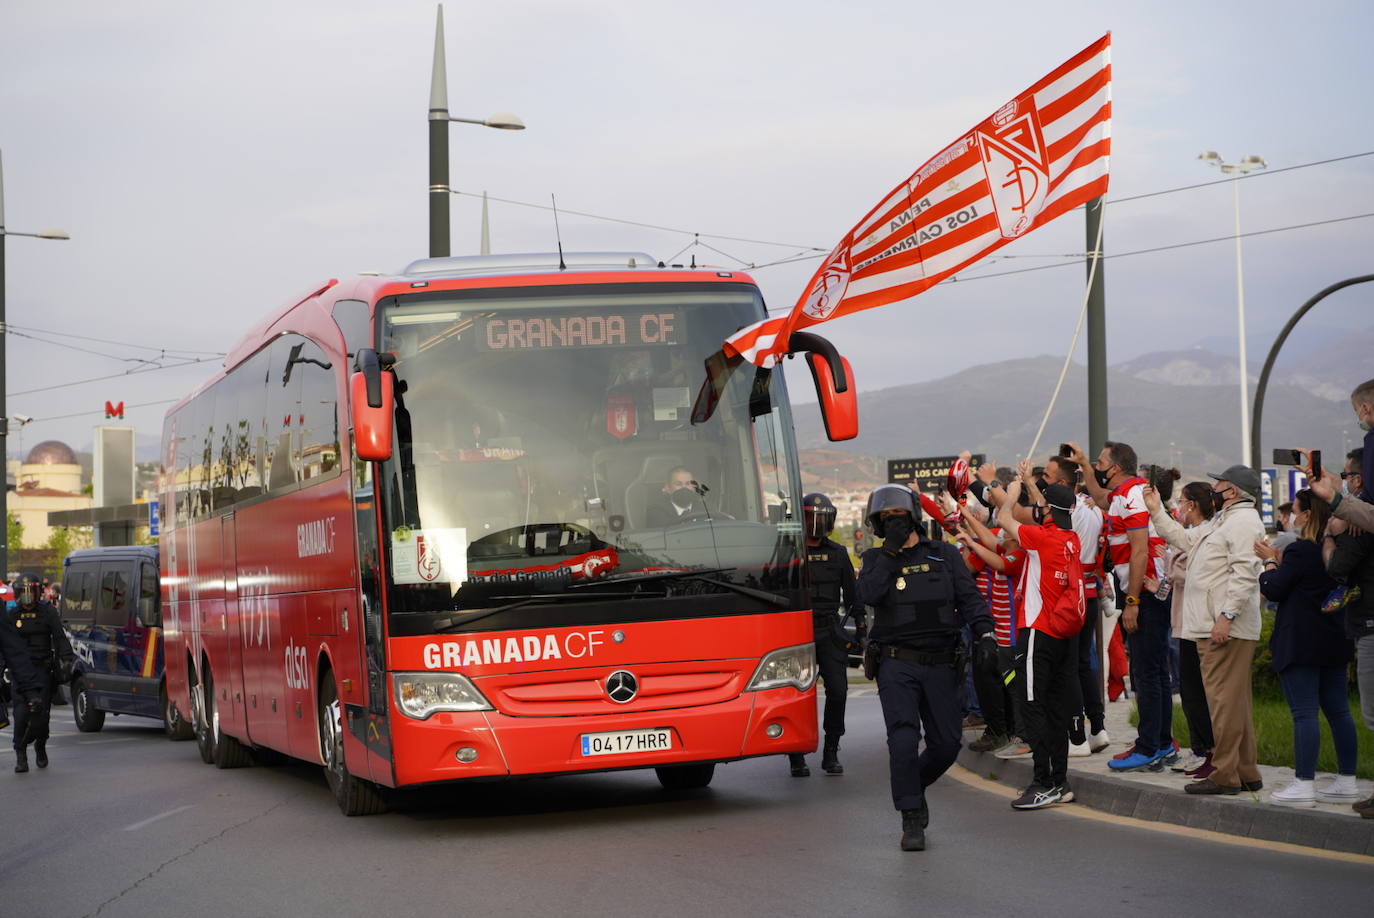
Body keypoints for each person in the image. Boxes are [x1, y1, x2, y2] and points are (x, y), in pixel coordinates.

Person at [857, 484, 995, 851]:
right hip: (896, 665)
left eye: (897, 517)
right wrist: (889, 553)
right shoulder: (874, 560)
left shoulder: (944, 555)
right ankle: (911, 816)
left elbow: (970, 599)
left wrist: (985, 635)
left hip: (941, 664)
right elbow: (867, 595)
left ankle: (911, 787)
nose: (893, 523)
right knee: (902, 741)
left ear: (913, 516)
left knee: (947, 745)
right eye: (885, 519)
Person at [1145, 465, 1266, 795]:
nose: (1216, 488)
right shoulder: (1224, 521)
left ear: (1234, 491)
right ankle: (1245, 769)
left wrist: (1225, 616)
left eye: (1221, 484)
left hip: (1222, 626)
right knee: (1235, 702)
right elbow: (1183, 538)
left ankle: (1225, 774)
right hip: (1213, 623)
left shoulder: (1242, 522)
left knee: (1223, 703)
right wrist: (1157, 510)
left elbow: (1244, 574)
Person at [1069, 441, 1175, 772]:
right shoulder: (1122, 493)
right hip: (1142, 589)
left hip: (1144, 591)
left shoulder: (1132, 496)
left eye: (1102, 462)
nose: (1099, 468)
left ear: (1115, 468)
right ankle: (1160, 742)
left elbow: (1140, 550)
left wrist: (1132, 602)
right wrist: (1086, 464)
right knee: (1153, 671)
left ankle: (1151, 746)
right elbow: (1100, 497)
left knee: (1147, 672)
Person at [1255, 489, 1360, 807]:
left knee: (1304, 714)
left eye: (1295, 511)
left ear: (1308, 515)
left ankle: (1303, 784)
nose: (1290, 518)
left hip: (1301, 641)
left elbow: (1274, 588)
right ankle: (1347, 780)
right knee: (1339, 711)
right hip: (1335, 638)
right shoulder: (1341, 550)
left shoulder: (1302, 551)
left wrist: (1269, 563)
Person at [997, 480, 1085, 809]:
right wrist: (1035, 489)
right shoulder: (1070, 539)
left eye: (1043, 505)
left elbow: (1004, 519)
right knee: (1055, 709)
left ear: (1049, 511)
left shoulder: (1042, 539)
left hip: (1038, 631)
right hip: (1064, 634)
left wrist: (1014, 491)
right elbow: (1047, 513)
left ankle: (1044, 782)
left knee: (1032, 706)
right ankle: (1060, 781)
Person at [1319, 449, 1374, 817]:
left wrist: (1327, 537)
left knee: (1373, 714)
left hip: (1370, 622)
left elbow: (1338, 568)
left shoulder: (1358, 526)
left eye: (1349, 475)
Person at [790, 492, 859, 778]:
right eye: (810, 517)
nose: (816, 523)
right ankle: (796, 755)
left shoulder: (839, 553)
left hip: (828, 629)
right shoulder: (790, 553)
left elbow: (854, 597)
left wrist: (863, 634)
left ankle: (831, 751)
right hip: (797, 633)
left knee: (839, 692)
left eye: (821, 517)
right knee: (796, 694)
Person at [1162, 483, 1218, 779]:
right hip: (1184, 623)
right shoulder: (1192, 535)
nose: (1180, 507)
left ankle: (1211, 750)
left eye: (1182, 502)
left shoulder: (1204, 535)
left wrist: (1169, 560)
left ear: (1194, 505)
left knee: (1198, 692)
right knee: (1190, 691)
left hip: (1196, 624)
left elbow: (1182, 572)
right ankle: (1202, 750)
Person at [8, 575, 75, 773]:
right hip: (20, 672)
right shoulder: (12, 616)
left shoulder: (48, 612)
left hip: (42, 671)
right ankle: (20, 754)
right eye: (23, 592)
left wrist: (67, 660)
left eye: (31, 592)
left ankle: (40, 745)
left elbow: (60, 637)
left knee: (41, 716)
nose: (27, 597)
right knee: (20, 715)